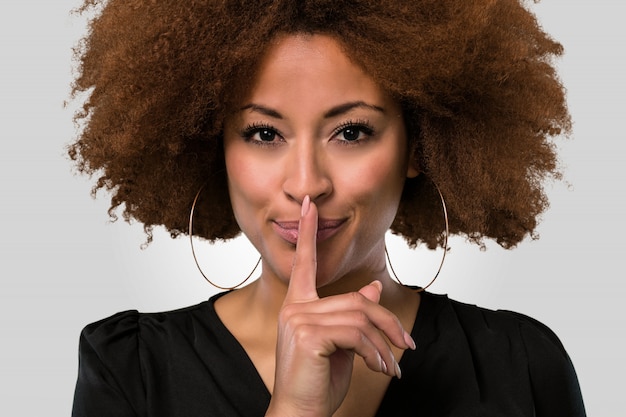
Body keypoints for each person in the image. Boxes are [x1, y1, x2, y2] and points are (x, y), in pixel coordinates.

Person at [68, 0, 586, 416]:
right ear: (213, 147)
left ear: (417, 147)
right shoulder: (130, 373)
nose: (306, 183)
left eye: (352, 132)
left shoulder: (521, 367)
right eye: (264, 133)